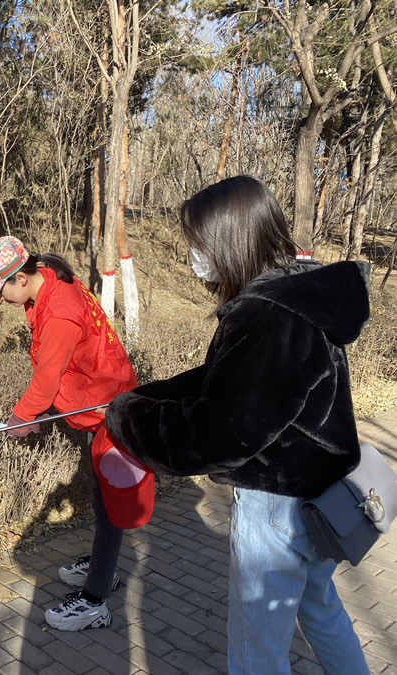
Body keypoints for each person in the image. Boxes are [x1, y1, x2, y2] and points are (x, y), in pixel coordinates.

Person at [105, 175, 370, 674]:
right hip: (318, 494)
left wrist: (127, 419)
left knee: (256, 654)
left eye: (199, 244)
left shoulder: (266, 315)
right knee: (321, 610)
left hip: (277, 506)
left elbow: (220, 433)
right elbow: (230, 380)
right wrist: (149, 396)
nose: (194, 256)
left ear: (231, 241)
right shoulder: (298, 293)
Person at [0, 236, 138, 631]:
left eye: (0, 291)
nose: (0, 300)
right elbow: (60, 367)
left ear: (20, 278)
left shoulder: (59, 312)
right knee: (101, 493)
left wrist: (20, 416)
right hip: (96, 400)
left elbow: (46, 381)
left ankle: (95, 600)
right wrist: (36, 412)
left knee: (108, 504)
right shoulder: (49, 282)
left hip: (107, 407)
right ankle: (103, 566)